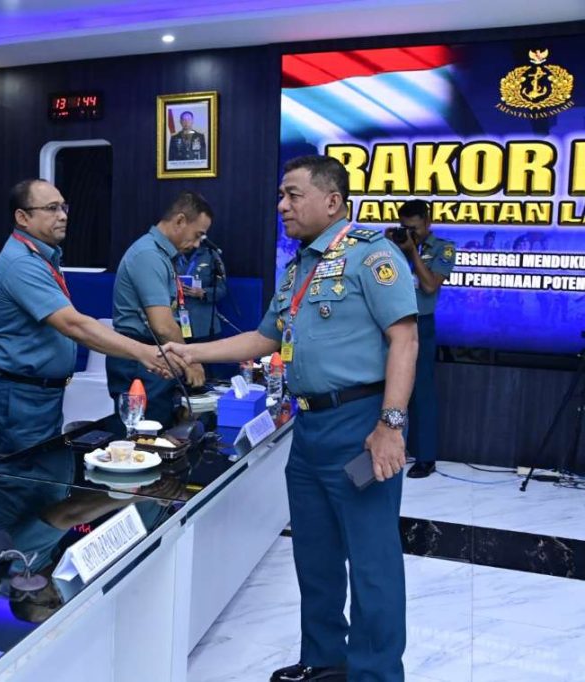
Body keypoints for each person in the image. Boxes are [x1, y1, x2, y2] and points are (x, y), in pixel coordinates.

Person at [164, 155, 418, 682]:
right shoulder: (300, 265)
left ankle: (375, 674)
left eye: (293, 195)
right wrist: (192, 351)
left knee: (371, 562)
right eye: (281, 195)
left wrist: (390, 426)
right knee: (315, 555)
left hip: (360, 425)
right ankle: (325, 660)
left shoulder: (372, 255)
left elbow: (405, 339)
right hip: (308, 429)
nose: (282, 205)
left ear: (333, 200)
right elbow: (265, 338)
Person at [0, 179, 176, 455]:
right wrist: (144, 353)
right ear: (22, 217)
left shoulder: (42, 257)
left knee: (45, 472)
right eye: (51, 208)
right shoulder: (21, 263)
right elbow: (74, 325)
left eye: (64, 207)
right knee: (25, 476)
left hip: (39, 395)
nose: (62, 215)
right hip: (19, 397)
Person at [107, 192, 210, 426]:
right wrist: (191, 361)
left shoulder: (163, 255)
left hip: (155, 353)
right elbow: (162, 326)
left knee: (161, 425)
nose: (197, 244)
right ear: (180, 221)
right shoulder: (148, 255)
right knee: (144, 433)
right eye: (197, 235)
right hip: (139, 356)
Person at [395, 200, 455, 479]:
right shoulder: (395, 244)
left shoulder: (443, 248)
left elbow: (430, 286)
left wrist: (412, 252)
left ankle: (426, 457)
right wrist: (392, 245)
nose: (411, 234)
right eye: (405, 228)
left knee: (422, 392)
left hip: (421, 324)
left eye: (415, 228)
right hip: (390, 323)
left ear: (427, 222)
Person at [176, 242, 227, 343]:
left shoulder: (211, 255)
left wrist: (203, 293)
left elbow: (222, 289)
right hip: (175, 322)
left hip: (204, 325)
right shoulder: (171, 254)